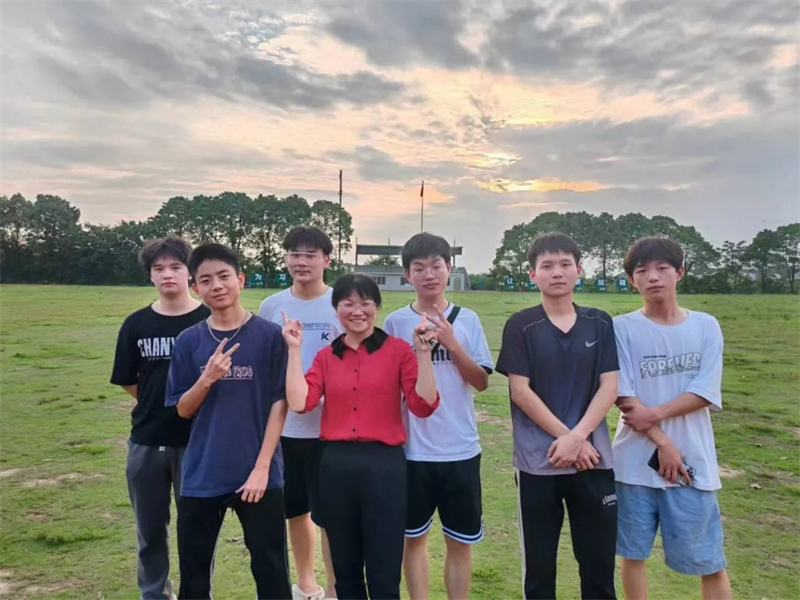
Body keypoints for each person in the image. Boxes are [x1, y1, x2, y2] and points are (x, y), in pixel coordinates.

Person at [282, 274, 440, 600]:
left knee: (384, 572)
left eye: (365, 303)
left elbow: (423, 405)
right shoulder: (326, 356)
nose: (357, 311)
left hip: (384, 466)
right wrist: (294, 351)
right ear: (336, 309)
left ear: (376, 307)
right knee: (345, 570)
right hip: (336, 465)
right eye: (348, 304)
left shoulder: (398, 351)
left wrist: (424, 355)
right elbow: (300, 402)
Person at [495, 232, 620, 600]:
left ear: (579, 270)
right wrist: (567, 438)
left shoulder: (599, 322)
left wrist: (578, 438)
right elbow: (521, 391)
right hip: (538, 463)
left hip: (592, 461)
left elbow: (609, 387)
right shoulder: (521, 325)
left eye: (565, 264)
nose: (557, 272)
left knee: (598, 567)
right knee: (539, 569)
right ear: (532, 274)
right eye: (547, 265)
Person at [165, 243, 291, 600]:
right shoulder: (188, 341)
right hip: (203, 472)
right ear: (195, 288)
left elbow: (280, 403)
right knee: (194, 577)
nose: (216, 285)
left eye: (224, 276)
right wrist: (206, 379)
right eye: (206, 280)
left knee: (271, 573)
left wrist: (262, 468)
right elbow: (182, 409)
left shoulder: (270, 336)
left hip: (259, 474)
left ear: (240, 279)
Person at [612, 237, 732, 600]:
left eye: (662, 268)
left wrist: (656, 414)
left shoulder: (705, 326)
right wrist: (664, 442)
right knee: (632, 555)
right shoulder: (621, 328)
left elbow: (705, 391)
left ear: (679, 272)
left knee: (710, 562)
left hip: (692, 464)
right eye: (642, 271)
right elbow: (623, 395)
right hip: (634, 464)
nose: (653, 277)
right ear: (631, 280)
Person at [382, 233, 493, 600]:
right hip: (412, 452)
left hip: (460, 449)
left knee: (459, 543)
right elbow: (388, 387)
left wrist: (451, 343)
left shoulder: (468, 320)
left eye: (436, 266)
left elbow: (481, 382)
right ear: (407, 275)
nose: (428, 274)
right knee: (412, 540)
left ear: (449, 268)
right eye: (419, 268)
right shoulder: (395, 323)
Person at [110, 236, 210, 600]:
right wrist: (158, 402)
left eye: (176, 267)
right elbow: (128, 379)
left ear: (190, 273)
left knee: (197, 529)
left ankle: (197, 593)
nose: (167, 274)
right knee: (150, 529)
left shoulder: (208, 320)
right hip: (147, 440)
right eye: (159, 269)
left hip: (198, 441)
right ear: (150, 276)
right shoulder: (136, 324)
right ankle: (154, 593)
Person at [258, 226, 343, 600]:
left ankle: (338, 588)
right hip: (286, 429)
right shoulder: (271, 306)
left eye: (310, 254)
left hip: (331, 430)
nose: (301, 261)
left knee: (332, 515)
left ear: (327, 260)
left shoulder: (341, 302)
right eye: (295, 254)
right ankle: (307, 585)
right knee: (296, 511)